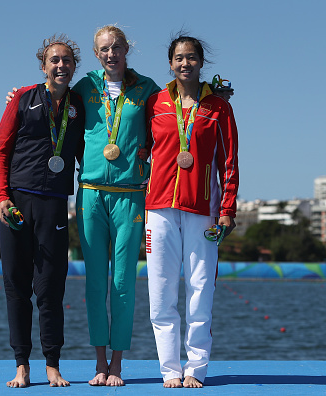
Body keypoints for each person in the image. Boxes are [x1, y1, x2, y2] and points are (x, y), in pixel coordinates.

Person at [144, 35, 239, 388]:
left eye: (192, 58)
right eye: (179, 58)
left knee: (201, 289)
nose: (185, 63)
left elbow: (229, 162)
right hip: (159, 208)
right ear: (170, 63)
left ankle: (195, 367)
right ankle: (170, 369)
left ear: (201, 62)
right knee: (161, 291)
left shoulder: (218, 108)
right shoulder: (154, 103)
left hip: (203, 209)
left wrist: (227, 209)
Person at [0, 34, 85, 388]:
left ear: (75, 66)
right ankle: (21, 364)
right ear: (43, 66)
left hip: (55, 204)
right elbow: (1, 151)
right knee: (16, 285)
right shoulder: (21, 98)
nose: (60, 65)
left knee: (50, 287)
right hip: (16, 202)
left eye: (67, 60)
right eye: (54, 60)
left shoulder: (81, 104)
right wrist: (2, 197)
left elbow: (85, 152)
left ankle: (52, 363)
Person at [71, 26, 160, 386]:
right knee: (94, 282)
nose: (112, 54)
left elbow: (174, 114)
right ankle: (98, 362)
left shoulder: (148, 89)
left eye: (118, 48)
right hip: (91, 192)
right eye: (105, 49)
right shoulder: (83, 87)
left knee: (123, 281)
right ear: (96, 53)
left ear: (127, 50)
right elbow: (53, 104)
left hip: (130, 194)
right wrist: (19, 96)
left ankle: (118, 363)